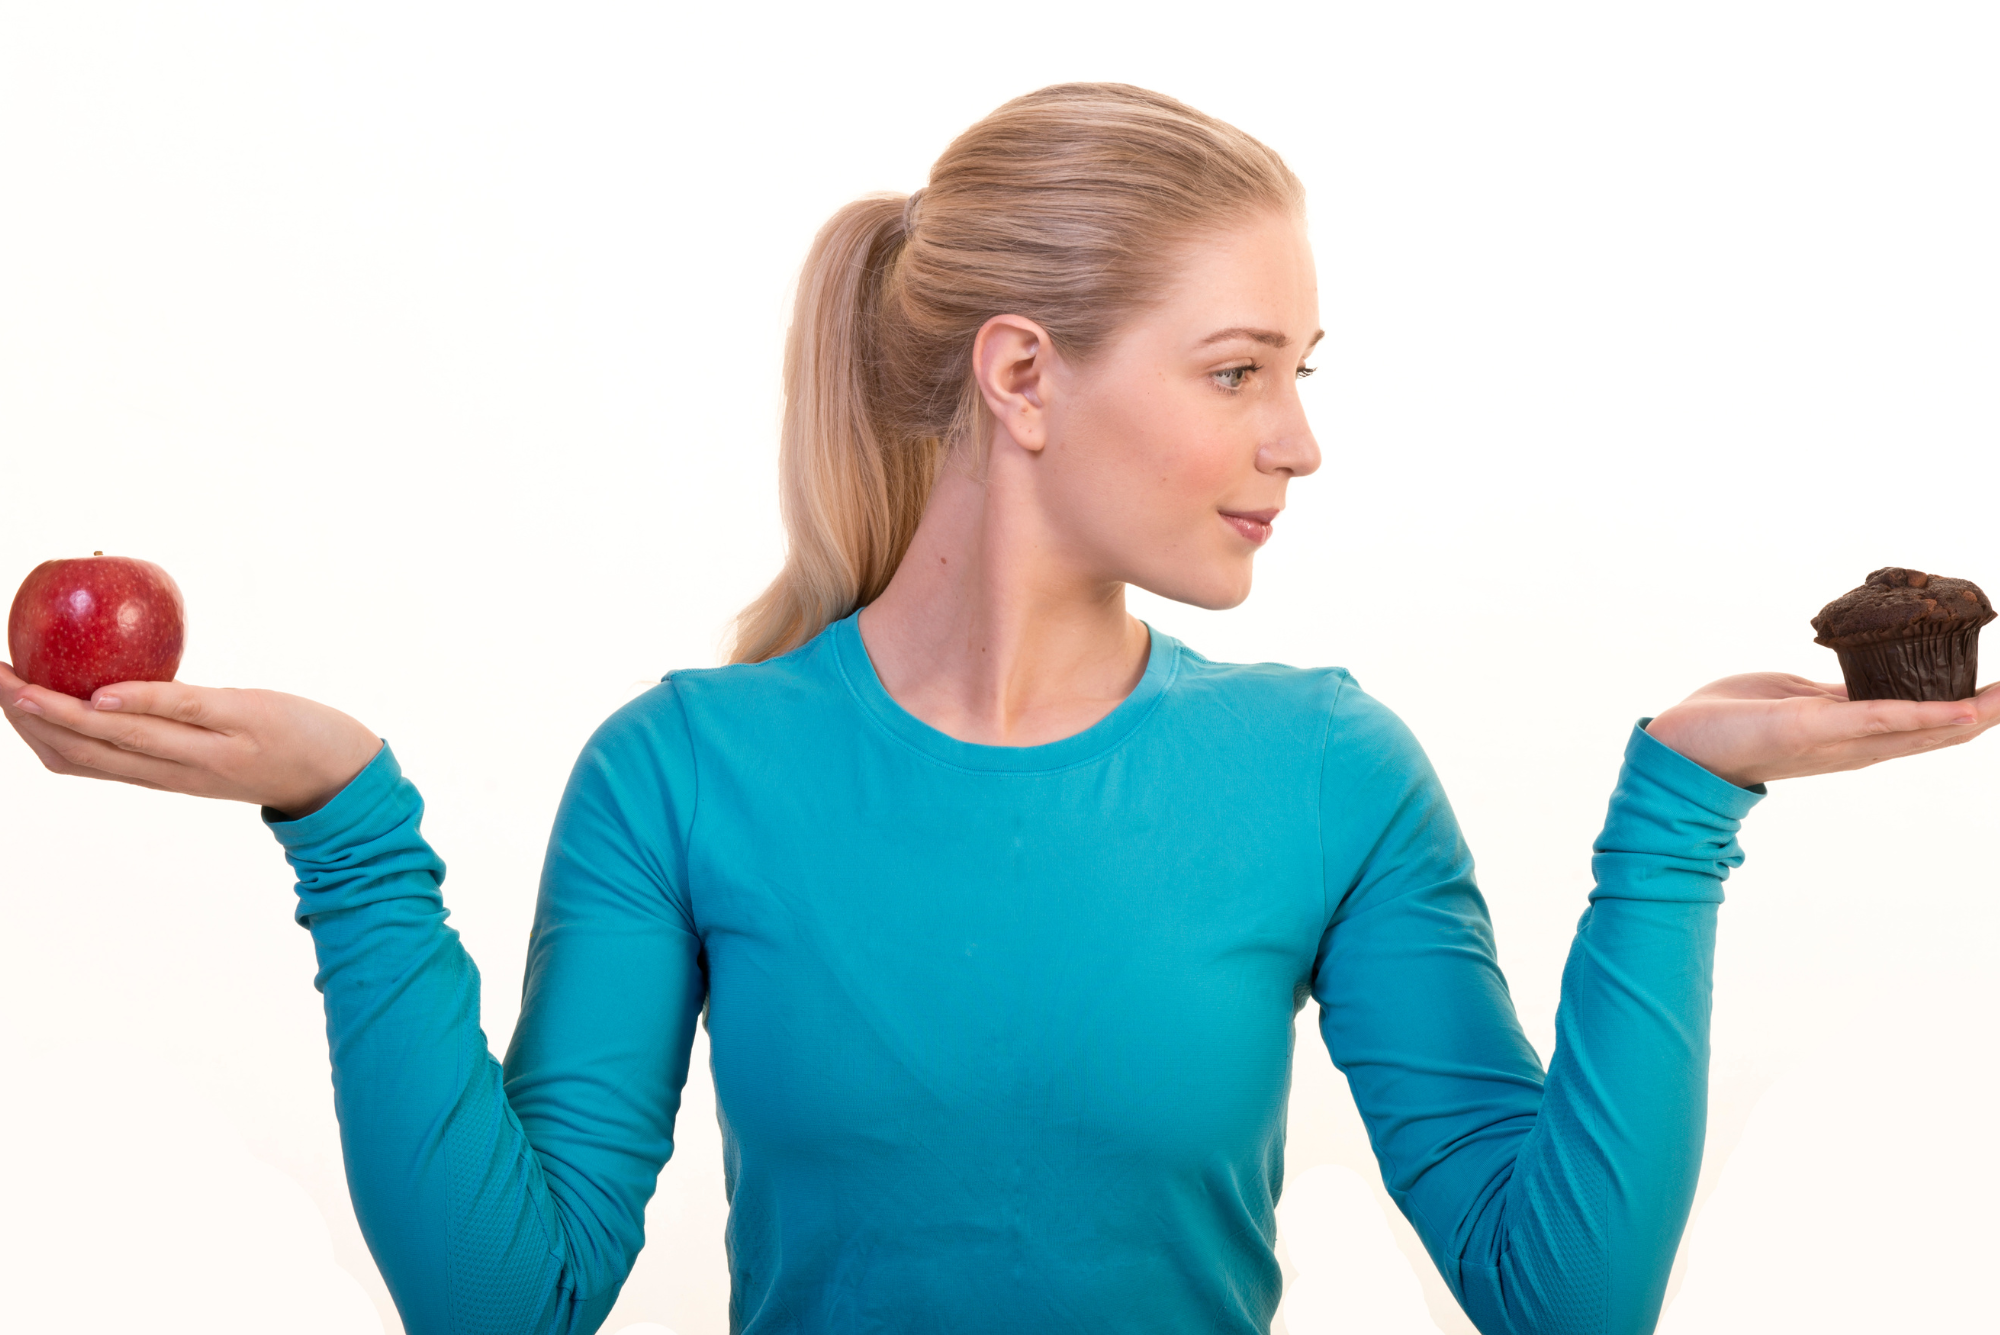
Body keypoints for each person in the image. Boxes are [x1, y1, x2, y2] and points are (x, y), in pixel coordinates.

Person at [3, 83, 1994, 1335]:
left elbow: (1561, 1296)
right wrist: (351, 827)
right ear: (1024, 376)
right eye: (1238, 370)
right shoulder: (688, 772)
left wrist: (1678, 812)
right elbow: (508, 1299)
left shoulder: (1324, 772)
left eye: (1303, 370)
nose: (1298, 440)